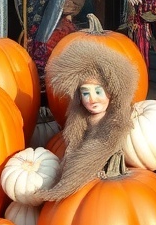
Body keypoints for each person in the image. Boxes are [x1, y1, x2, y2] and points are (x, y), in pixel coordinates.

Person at [32, 38, 138, 203]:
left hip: (106, 181)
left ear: (111, 93)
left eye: (98, 92)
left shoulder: (115, 124)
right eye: (86, 93)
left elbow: (103, 147)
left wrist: (71, 178)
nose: (92, 99)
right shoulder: (79, 119)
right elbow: (74, 144)